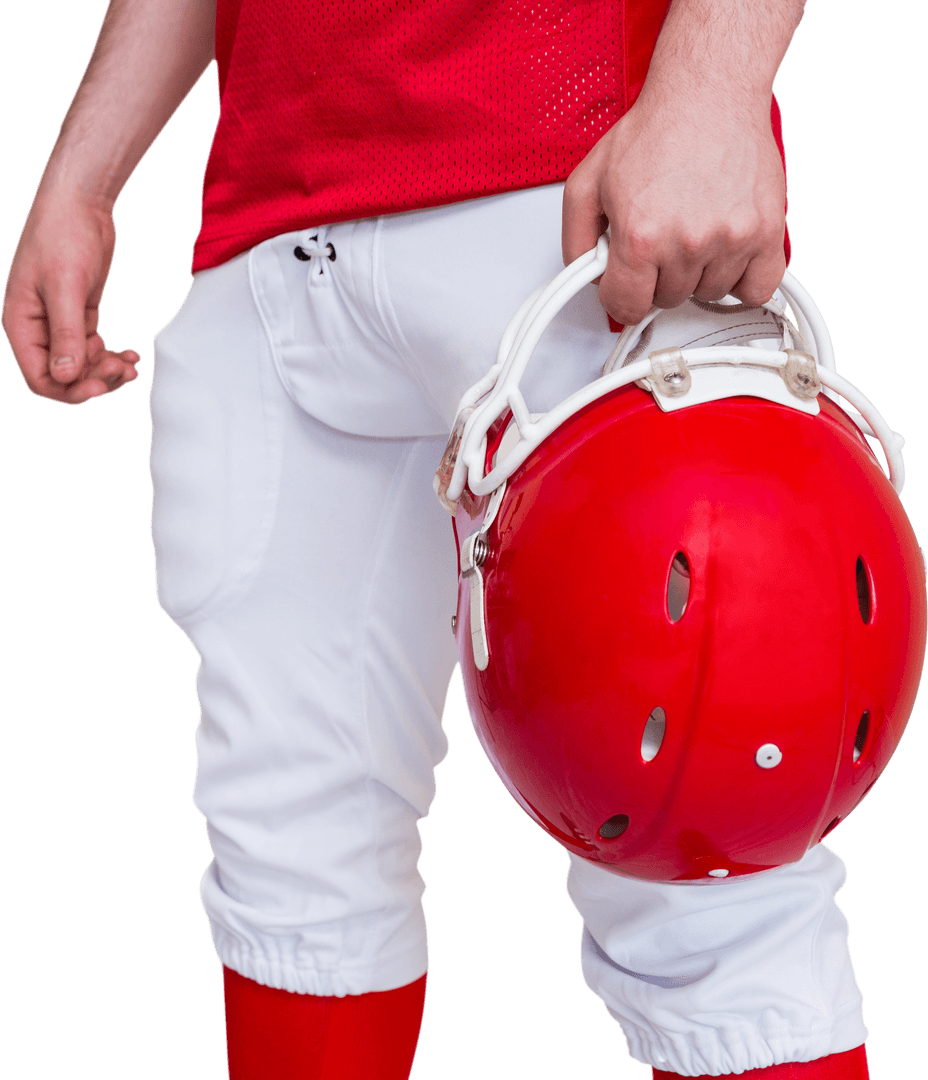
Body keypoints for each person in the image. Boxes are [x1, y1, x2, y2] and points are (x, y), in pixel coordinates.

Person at [0, 1, 885, 1076]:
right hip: (273, 233)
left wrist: (712, 87)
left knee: (713, 850)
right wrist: (83, 181)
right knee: (291, 863)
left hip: (578, 185)